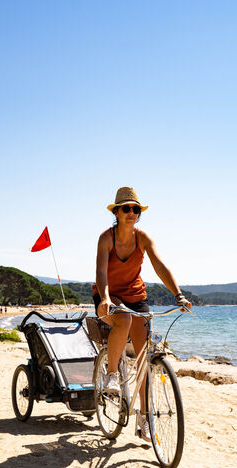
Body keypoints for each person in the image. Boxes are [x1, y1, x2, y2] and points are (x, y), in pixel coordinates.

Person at [93, 186, 192, 441]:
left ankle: (145, 418)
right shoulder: (106, 238)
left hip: (136, 297)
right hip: (108, 297)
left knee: (143, 360)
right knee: (123, 319)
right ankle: (112, 375)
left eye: (136, 209)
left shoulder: (143, 238)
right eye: (126, 208)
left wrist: (178, 294)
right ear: (116, 211)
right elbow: (101, 273)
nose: (131, 212)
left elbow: (160, 266)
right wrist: (104, 299)